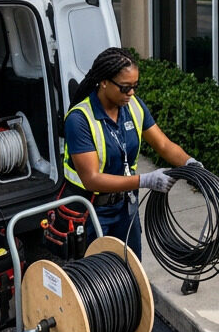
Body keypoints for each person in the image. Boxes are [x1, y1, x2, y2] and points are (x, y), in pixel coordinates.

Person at [63, 46, 199, 257]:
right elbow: (91, 179)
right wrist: (145, 180)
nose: (132, 93)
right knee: (95, 280)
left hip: (125, 207)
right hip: (91, 211)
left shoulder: (133, 106)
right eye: (125, 87)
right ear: (104, 82)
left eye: (135, 86)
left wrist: (190, 163)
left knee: (131, 272)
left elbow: (163, 145)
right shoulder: (79, 120)